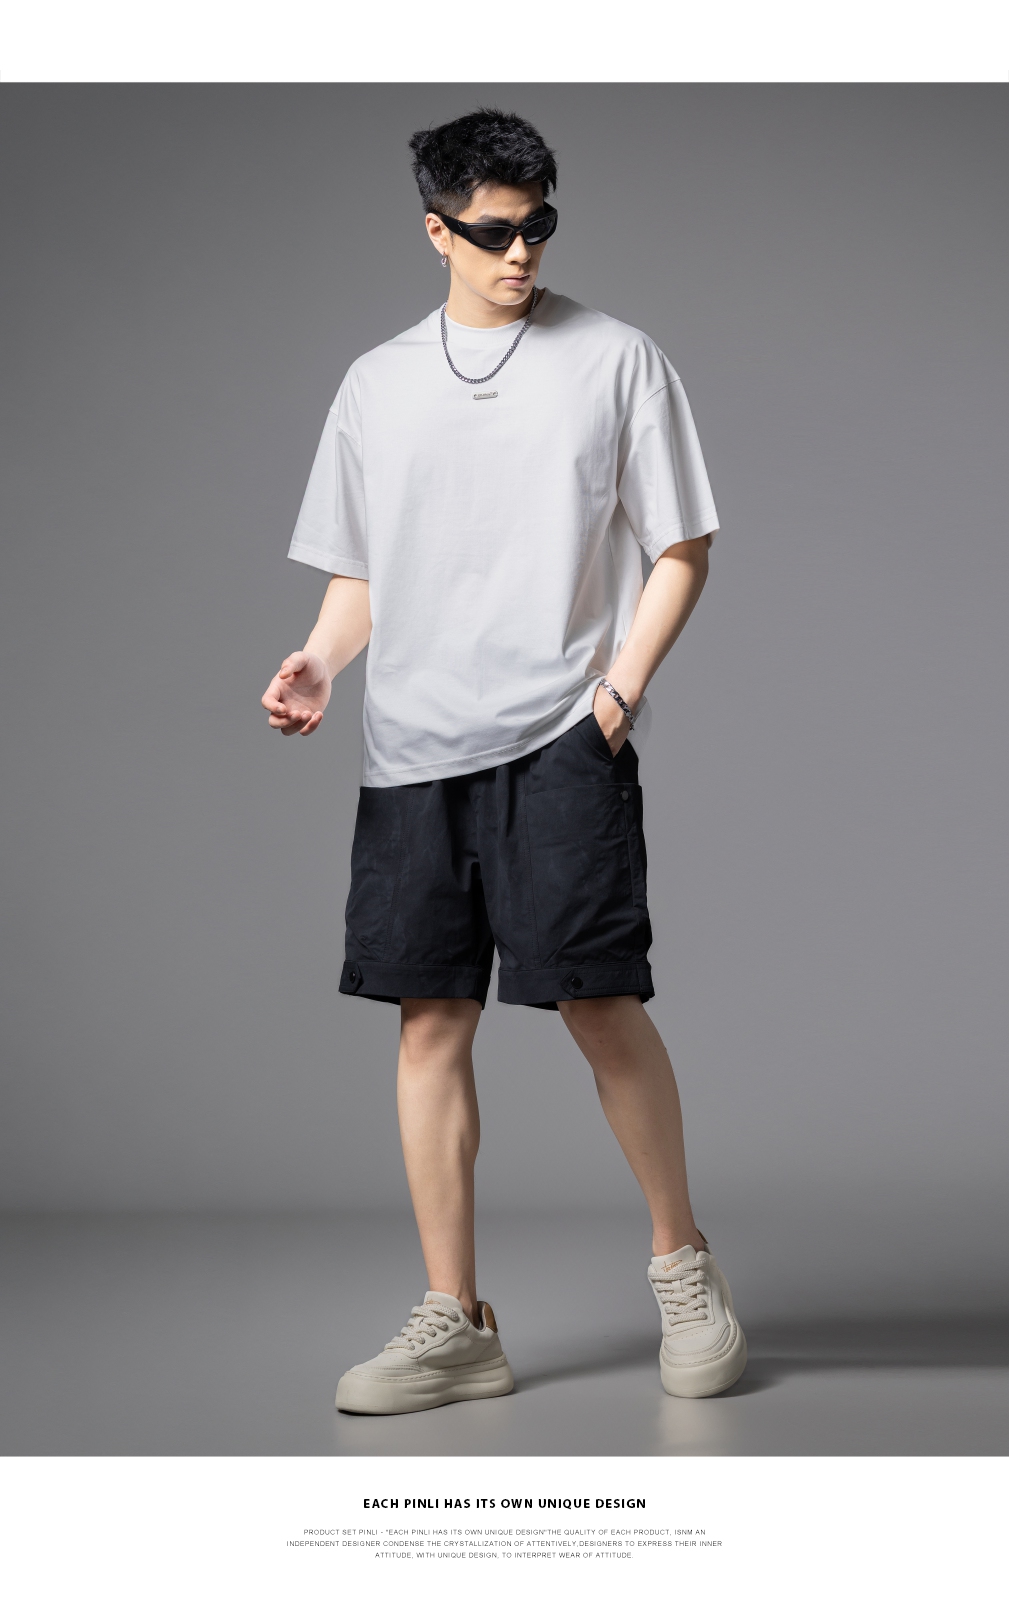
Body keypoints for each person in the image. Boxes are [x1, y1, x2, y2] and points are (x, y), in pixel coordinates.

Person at [262, 107, 746, 1414]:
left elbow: (682, 545)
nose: (520, 252)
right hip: (412, 749)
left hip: (560, 736)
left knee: (598, 1003)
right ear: (436, 231)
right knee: (430, 1021)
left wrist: (619, 692)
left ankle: (683, 1267)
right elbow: (365, 570)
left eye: (538, 226)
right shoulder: (376, 385)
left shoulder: (617, 360)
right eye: (491, 232)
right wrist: (322, 659)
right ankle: (456, 1319)